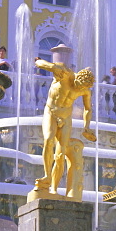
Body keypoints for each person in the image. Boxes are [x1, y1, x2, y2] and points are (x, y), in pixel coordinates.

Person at [32, 59, 96, 197]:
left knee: (60, 155)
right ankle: (46, 176)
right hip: (51, 113)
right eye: (78, 85)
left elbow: (88, 109)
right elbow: (39, 63)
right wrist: (52, 67)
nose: (79, 89)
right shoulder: (64, 74)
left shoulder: (85, 92)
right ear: (77, 77)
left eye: (82, 88)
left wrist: (87, 126)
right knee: (48, 141)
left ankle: (54, 189)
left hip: (66, 118)